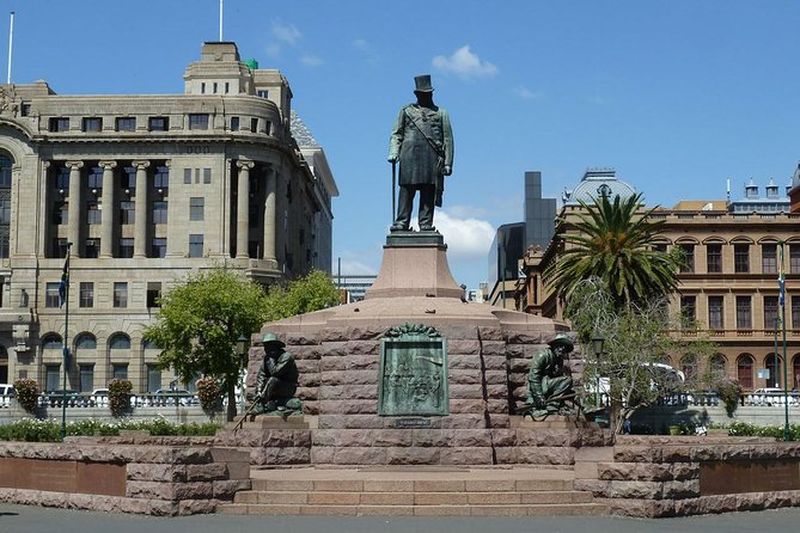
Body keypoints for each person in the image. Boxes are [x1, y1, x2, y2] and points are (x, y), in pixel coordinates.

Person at [388, 74, 454, 232]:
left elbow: (448, 139)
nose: (425, 96)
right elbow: (397, 133)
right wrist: (393, 151)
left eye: (427, 93)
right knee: (406, 190)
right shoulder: (406, 111)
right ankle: (402, 222)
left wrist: (448, 163)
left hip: (431, 157)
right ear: (417, 94)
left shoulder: (441, 113)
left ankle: (425, 223)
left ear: (431, 93)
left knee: (428, 190)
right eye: (422, 94)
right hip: (409, 155)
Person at [523, 334, 576, 419]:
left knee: (567, 381)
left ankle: (554, 404)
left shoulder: (559, 359)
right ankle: (552, 405)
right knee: (567, 380)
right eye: (560, 346)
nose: (562, 349)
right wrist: (539, 396)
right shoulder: (543, 355)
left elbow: (558, 381)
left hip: (549, 385)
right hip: (540, 386)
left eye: (564, 347)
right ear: (554, 345)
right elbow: (533, 377)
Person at [254, 332, 300, 413]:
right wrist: (258, 391)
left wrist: (270, 359)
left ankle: (262, 404)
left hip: (288, 387)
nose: (266, 349)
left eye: (269, 346)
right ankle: (263, 402)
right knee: (266, 381)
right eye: (265, 346)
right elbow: (261, 375)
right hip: (273, 387)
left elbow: (275, 372)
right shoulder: (268, 358)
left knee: (273, 379)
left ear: (276, 346)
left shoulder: (286, 357)